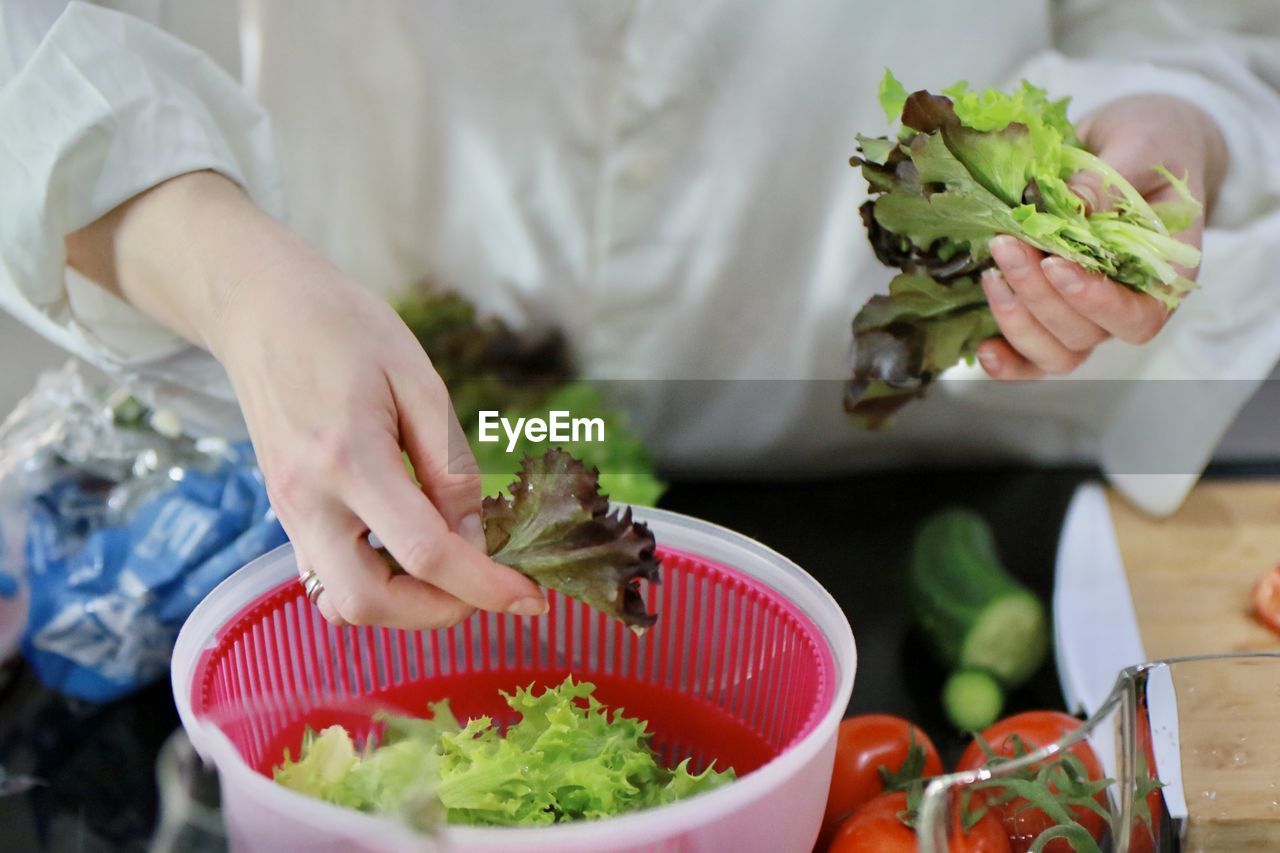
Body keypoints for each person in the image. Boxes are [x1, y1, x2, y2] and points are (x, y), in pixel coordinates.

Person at [3, 1, 1279, 631]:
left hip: (916, 452)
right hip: (390, 452)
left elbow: (1188, 29)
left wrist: (1170, 134)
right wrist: (232, 274)